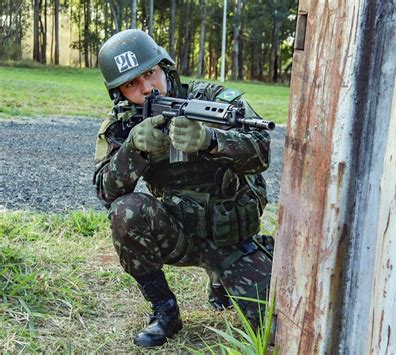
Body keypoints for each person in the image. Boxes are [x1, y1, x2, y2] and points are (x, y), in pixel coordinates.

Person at [93, 29, 273, 348]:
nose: (146, 88)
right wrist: (133, 149)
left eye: (150, 73)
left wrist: (213, 141)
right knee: (126, 211)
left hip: (232, 239)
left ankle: (224, 276)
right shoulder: (122, 123)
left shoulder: (213, 100)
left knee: (275, 330)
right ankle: (165, 310)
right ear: (118, 92)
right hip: (180, 235)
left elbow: (261, 151)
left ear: (166, 66)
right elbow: (106, 193)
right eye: (131, 84)